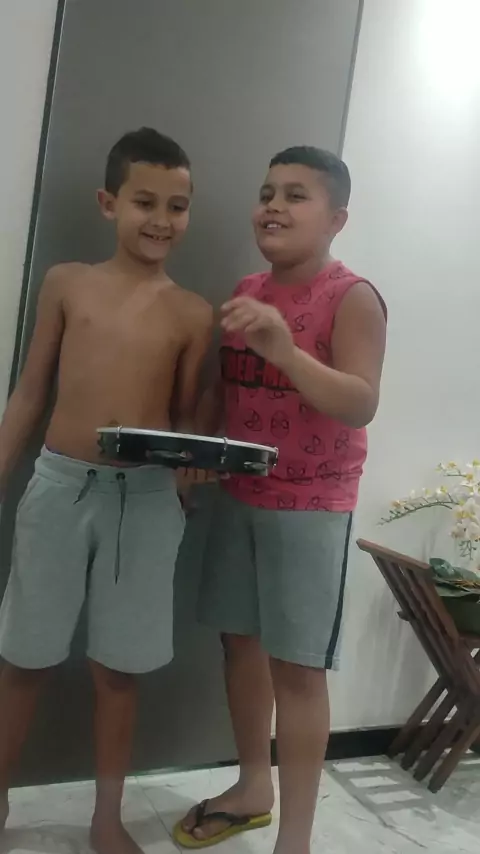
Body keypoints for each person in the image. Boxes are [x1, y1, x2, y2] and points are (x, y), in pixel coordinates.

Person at [0, 127, 213, 854]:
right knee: (23, 656)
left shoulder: (194, 313)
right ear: (108, 202)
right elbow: (30, 392)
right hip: (58, 487)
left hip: (146, 503)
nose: (162, 219)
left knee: (120, 670)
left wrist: (192, 476)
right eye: (145, 202)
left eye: (177, 206)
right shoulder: (67, 283)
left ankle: (106, 817)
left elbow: (185, 419)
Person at [175, 146, 387, 853]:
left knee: (297, 669)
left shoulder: (352, 296)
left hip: (311, 507)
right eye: (267, 192)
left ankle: (294, 840)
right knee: (239, 644)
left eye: (296, 195)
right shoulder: (246, 289)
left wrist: (287, 353)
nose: (273, 205)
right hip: (238, 493)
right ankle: (252, 787)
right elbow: (226, 388)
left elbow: (360, 402)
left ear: (336, 219)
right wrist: (194, 451)